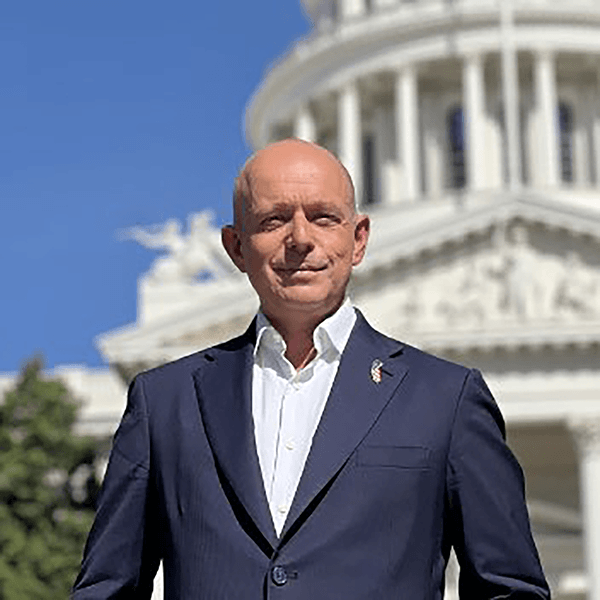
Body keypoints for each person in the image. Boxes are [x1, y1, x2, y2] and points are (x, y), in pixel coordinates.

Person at [72, 139, 550, 599]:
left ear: (358, 239)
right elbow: (108, 588)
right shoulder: (166, 401)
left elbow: (508, 589)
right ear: (236, 247)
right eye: (275, 219)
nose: (300, 239)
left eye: (323, 218)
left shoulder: (445, 398)